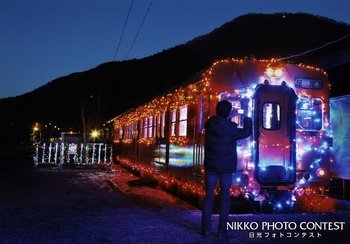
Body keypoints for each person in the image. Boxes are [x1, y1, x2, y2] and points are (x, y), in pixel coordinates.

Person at [201, 100, 252, 239]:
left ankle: (205, 230)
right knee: (224, 199)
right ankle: (222, 231)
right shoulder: (231, 128)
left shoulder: (210, 124)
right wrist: (246, 116)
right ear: (229, 112)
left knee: (209, 197)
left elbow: (220, 125)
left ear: (217, 110)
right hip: (226, 169)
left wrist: (228, 118)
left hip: (211, 167)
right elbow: (247, 131)